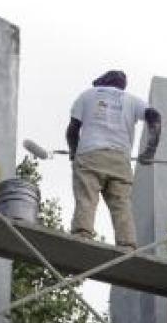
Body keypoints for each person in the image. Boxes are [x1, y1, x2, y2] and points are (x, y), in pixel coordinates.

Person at [66, 70, 161, 250]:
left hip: (90, 155)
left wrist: (73, 152)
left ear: (103, 81)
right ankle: (127, 244)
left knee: (87, 198)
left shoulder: (87, 95)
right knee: (121, 203)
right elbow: (155, 117)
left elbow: (72, 130)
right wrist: (150, 151)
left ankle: (82, 234)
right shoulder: (132, 100)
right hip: (120, 158)